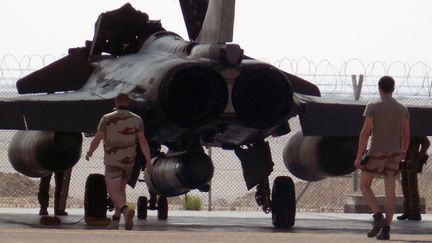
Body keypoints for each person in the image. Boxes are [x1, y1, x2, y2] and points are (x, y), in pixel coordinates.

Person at [354, 76, 410, 240]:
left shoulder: (373, 106)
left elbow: (365, 133)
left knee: (365, 185)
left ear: (379, 88)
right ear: (393, 88)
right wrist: (403, 154)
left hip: (376, 153)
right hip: (394, 155)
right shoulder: (403, 109)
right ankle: (386, 230)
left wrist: (359, 156)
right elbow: (406, 135)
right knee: (390, 192)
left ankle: (378, 216)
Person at [86, 93, 152, 230]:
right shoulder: (137, 119)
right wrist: (148, 161)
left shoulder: (106, 119)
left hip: (113, 160)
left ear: (115, 103)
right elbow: (143, 141)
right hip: (129, 160)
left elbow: (98, 138)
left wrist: (90, 151)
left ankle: (126, 210)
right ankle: (116, 220)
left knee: (113, 192)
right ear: (128, 103)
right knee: (121, 190)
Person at [397, 136, 430, 221]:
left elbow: (426, 143)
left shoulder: (415, 129)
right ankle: (407, 212)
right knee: (405, 185)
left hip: (412, 160)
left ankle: (415, 213)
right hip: (403, 159)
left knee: (412, 186)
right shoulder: (402, 128)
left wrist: (418, 156)